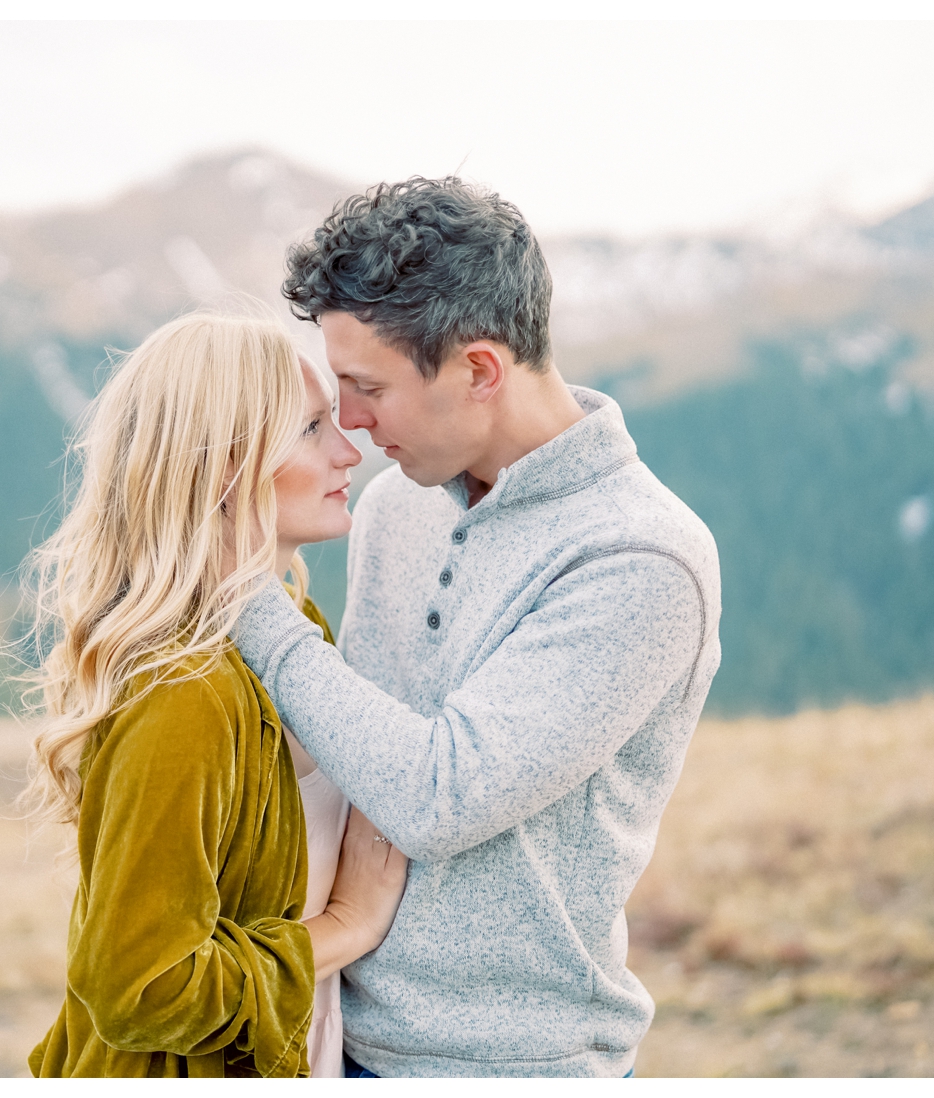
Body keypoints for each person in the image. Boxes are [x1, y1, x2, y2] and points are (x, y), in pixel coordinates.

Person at [230, 178, 723, 1078]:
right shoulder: (391, 507)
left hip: (513, 1067)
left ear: (480, 371)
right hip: (331, 1028)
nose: (349, 423)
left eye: (367, 386)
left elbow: (436, 797)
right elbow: (348, 747)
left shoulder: (641, 559)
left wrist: (243, 597)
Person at [14, 312, 408, 1078]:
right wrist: (346, 929)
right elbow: (139, 983)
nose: (348, 450)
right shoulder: (184, 689)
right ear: (224, 468)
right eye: (310, 430)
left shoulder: (293, 631)